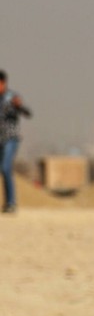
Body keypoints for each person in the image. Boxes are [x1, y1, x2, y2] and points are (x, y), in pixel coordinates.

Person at [0, 70, 32, 214]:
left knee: (6, 168)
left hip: (11, 139)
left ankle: (11, 202)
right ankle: (7, 202)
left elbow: (27, 113)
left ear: (3, 83)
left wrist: (19, 106)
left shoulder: (11, 98)